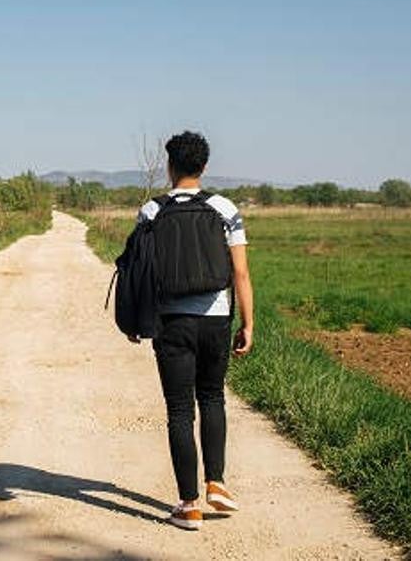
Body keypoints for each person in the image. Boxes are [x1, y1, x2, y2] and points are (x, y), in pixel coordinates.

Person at [129, 130, 255, 531]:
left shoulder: (151, 211)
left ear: (170, 165)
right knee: (213, 397)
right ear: (203, 166)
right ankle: (216, 481)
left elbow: (141, 273)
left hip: (171, 323)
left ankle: (189, 505)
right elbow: (240, 272)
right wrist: (248, 323)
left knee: (180, 411)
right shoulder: (225, 208)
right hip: (217, 319)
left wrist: (136, 321)